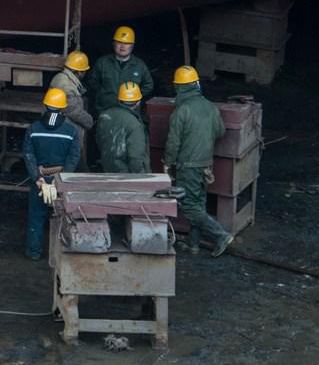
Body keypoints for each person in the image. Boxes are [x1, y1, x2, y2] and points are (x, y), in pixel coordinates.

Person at [164, 66, 233, 256]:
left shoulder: (181, 111)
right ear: (196, 85)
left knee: (189, 207)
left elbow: (173, 141)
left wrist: (167, 163)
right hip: (205, 165)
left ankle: (220, 235)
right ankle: (193, 244)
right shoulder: (210, 106)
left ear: (179, 87)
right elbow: (220, 131)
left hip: (188, 165)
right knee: (199, 203)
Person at [22, 87, 82, 260]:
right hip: (60, 180)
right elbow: (74, 156)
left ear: (45, 106)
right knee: (63, 218)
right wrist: (63, 179)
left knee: (36, 217)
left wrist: (37, 178)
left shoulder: (33, 129)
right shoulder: (71, 131)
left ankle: (34, 253)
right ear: (63, 108)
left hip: (40, 181)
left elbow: (28, 154)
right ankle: (61, 256)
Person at [47, 51, 95, 163]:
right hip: (63, 130)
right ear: (79, 72)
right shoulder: (67, 86)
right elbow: (73, 111)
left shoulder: (60, 77)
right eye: (84, 71)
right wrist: (90, 121)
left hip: (54, 124)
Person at [93, 25, 155, 111]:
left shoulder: (139, 65)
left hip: (130, 110)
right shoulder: (103, 62)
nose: (122, 46)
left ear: (132, 46)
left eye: (126, 43)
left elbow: (149, 85)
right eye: (119, 42)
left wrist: (133, 96)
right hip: (106, 109)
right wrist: (104, 96)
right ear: (113, 44)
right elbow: (92, 83)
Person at [94, 80, 146, 174]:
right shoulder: (135, 124)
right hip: (125, 173)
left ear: (119, 99)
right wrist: (140, 177)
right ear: (138, 102)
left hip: (106, 167)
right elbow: (135, 157)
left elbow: (99, 140)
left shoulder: (104, 115)